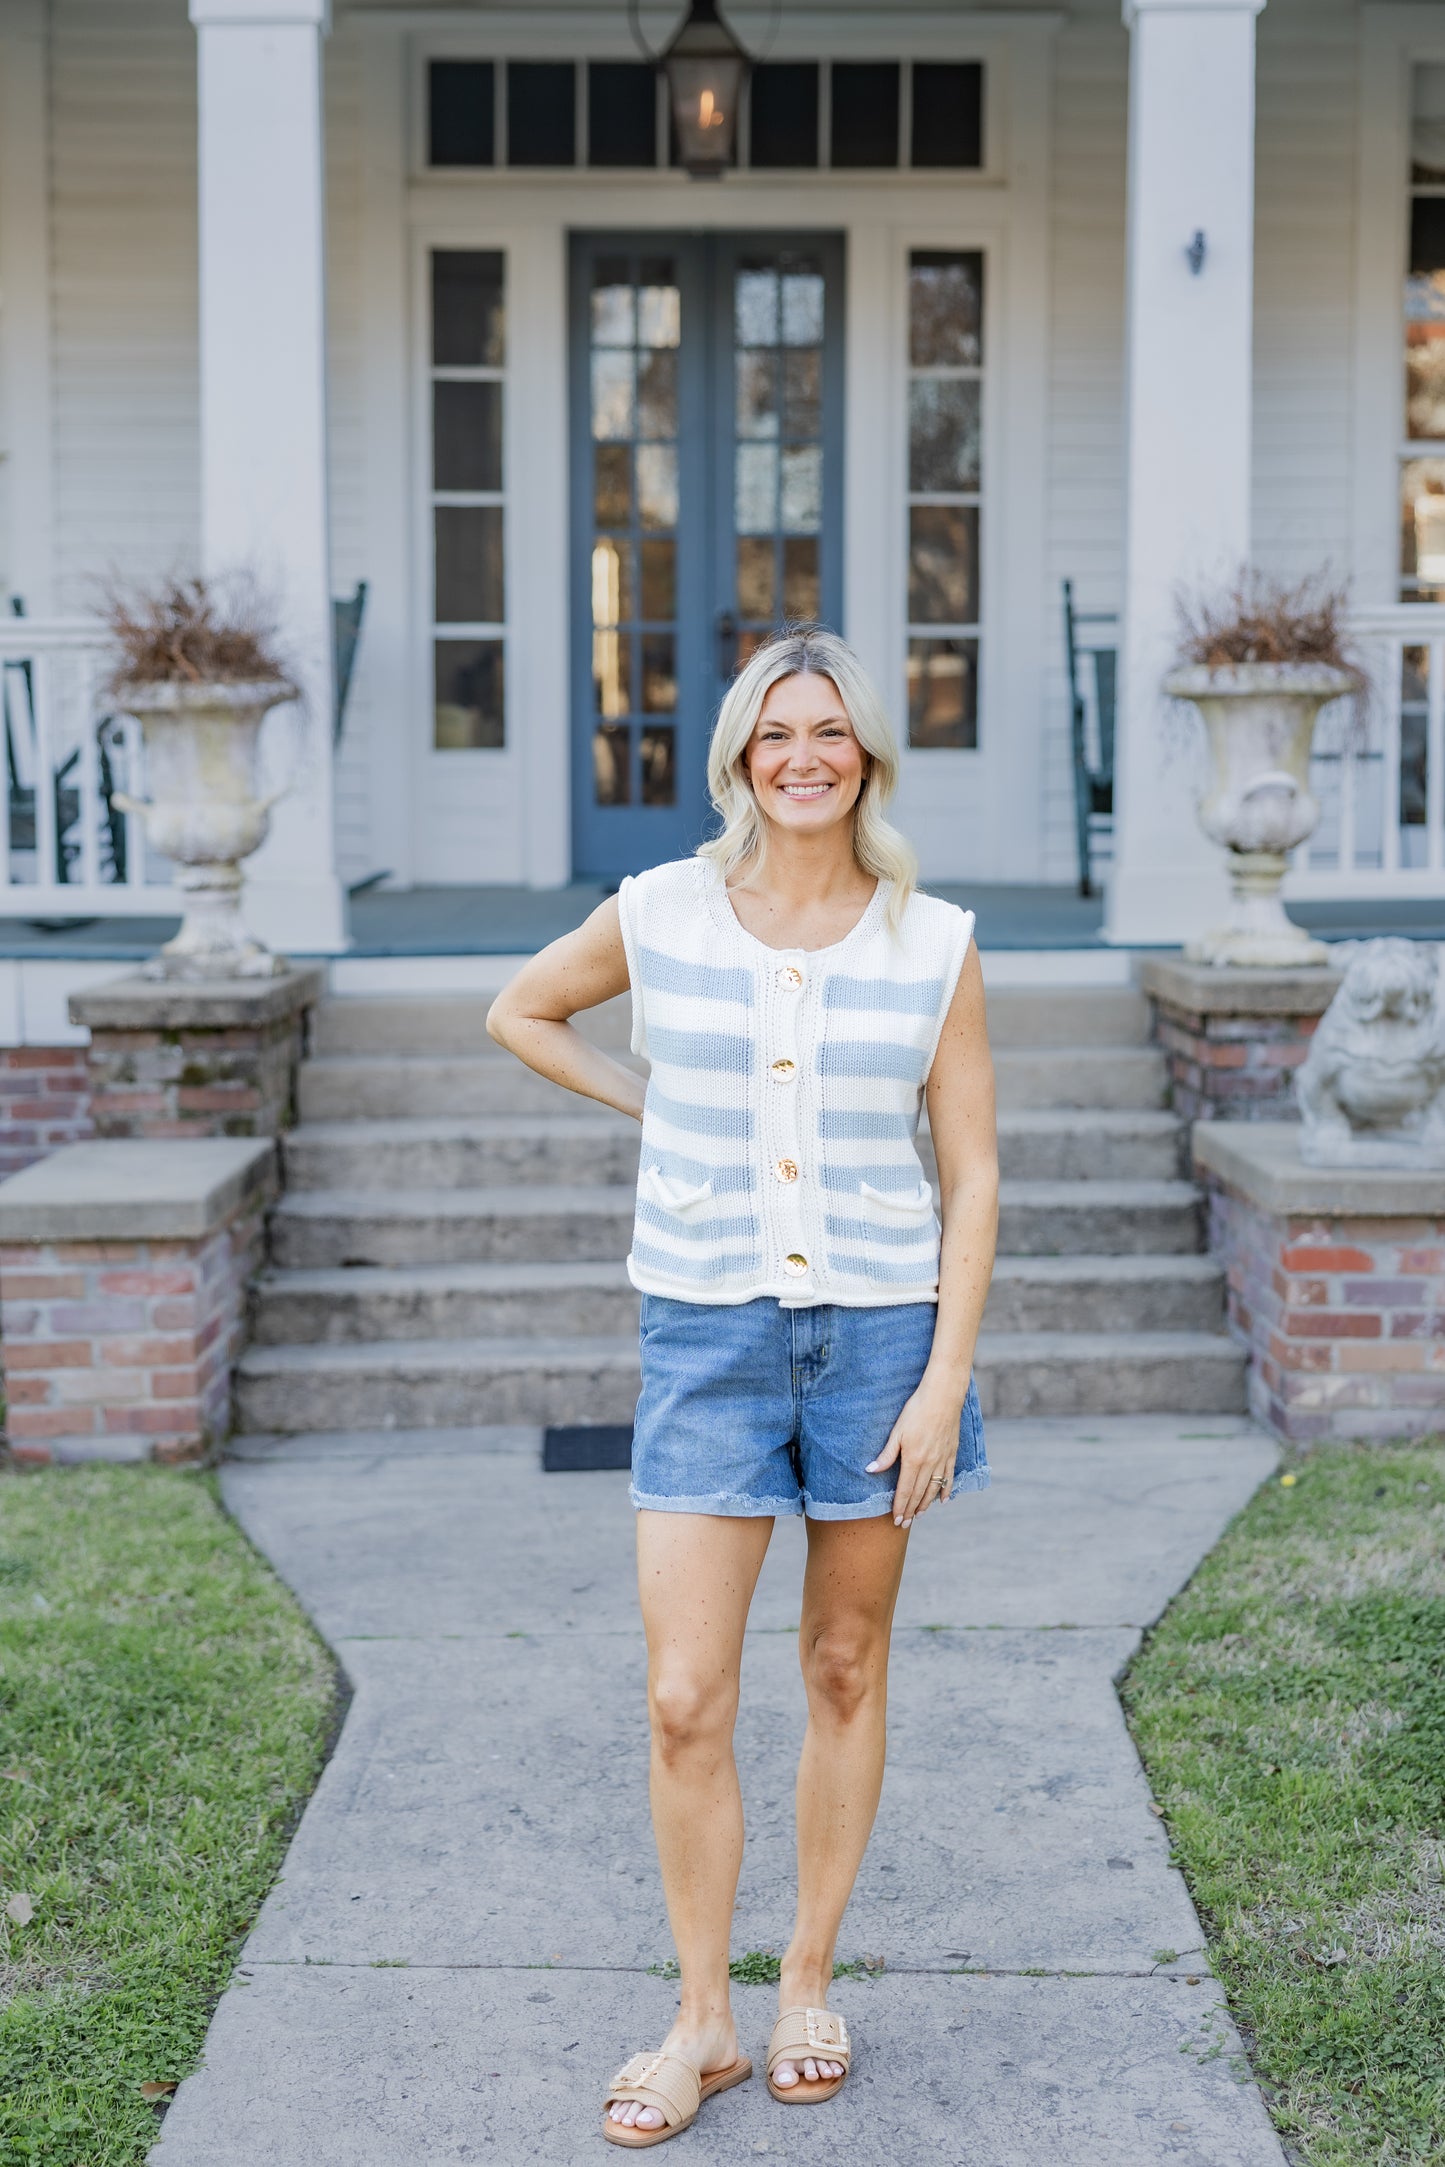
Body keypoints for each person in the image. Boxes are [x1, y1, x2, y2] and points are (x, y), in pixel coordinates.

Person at [486, 627, 999, 2148]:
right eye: (775, 734)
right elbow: (520, 1010)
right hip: (706, 1334)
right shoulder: (659, 911)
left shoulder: (932, 941)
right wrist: (649, 1102)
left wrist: (944, 1379)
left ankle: (806, 1988)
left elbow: (972, 1177)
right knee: (682, 1696)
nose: (802, 758)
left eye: (829, 733)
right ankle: (701, 2018)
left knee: (841, 1666)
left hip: (880, 1341)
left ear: (867, 757)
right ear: (737, 759)